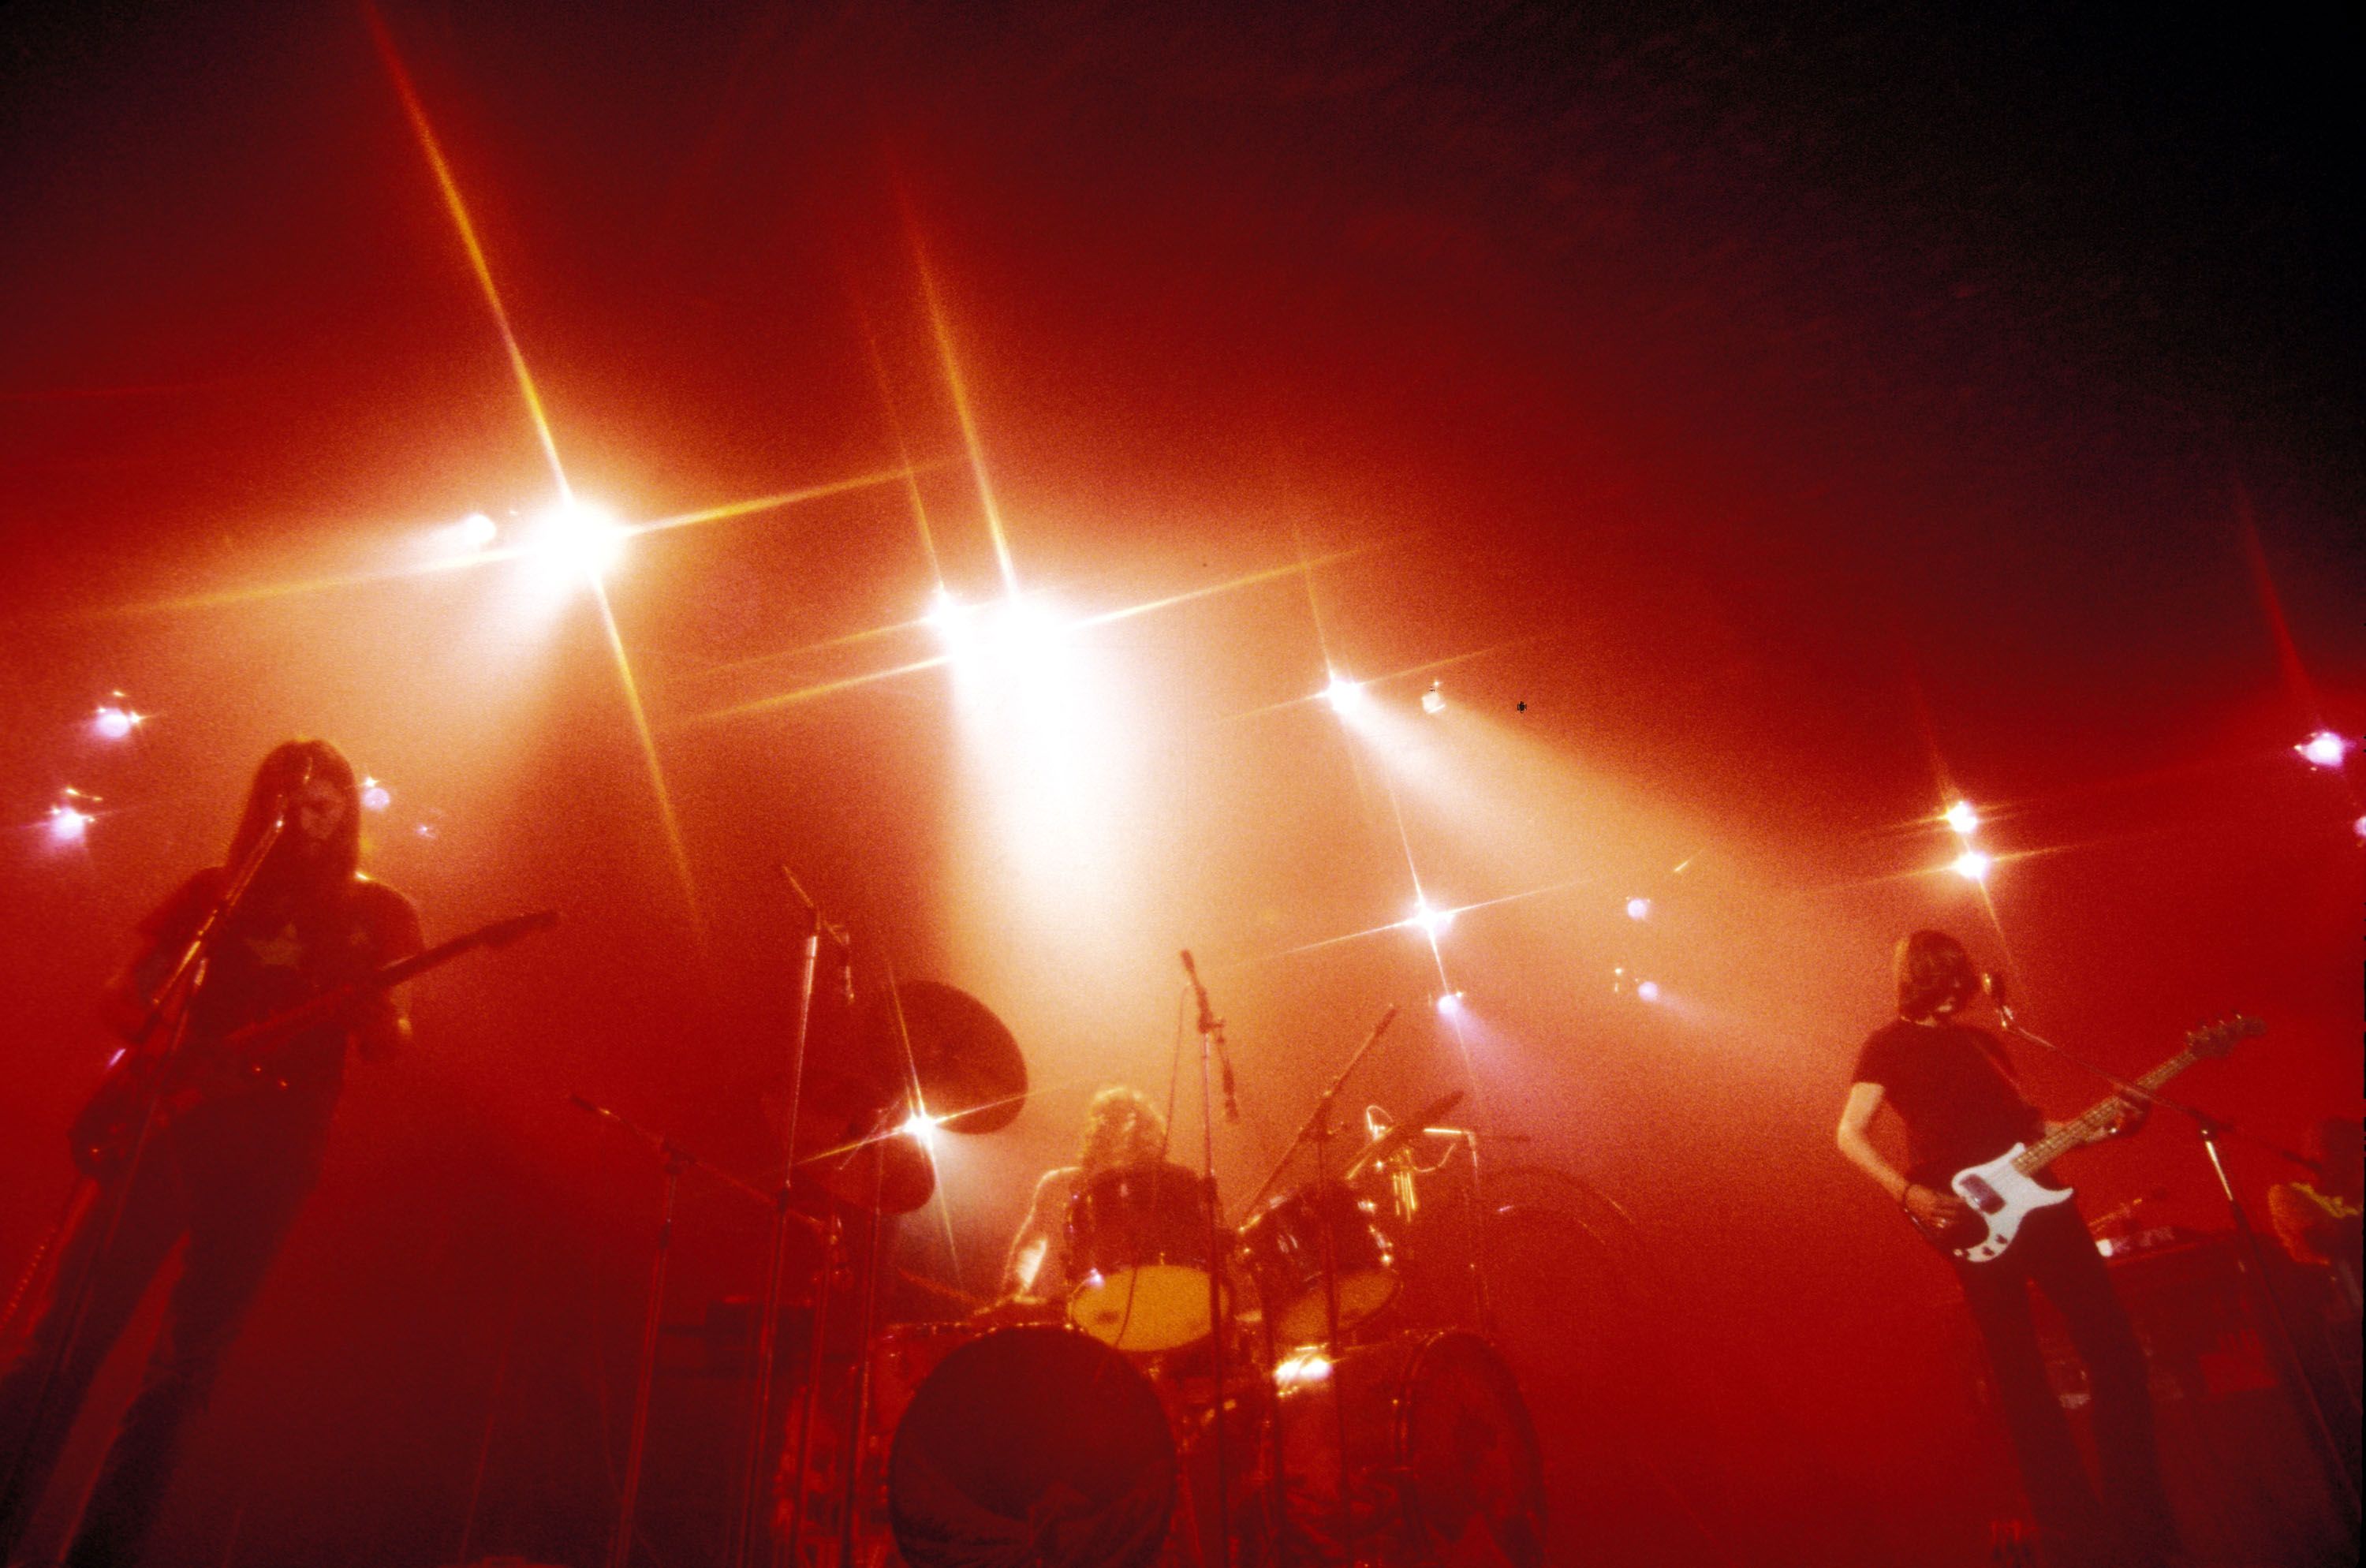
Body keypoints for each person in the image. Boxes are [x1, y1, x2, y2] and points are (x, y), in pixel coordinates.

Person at [0, 739, 422, 1567]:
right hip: (170, 1127)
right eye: (286, 795)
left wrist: (369, 1006)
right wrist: (175, 1060)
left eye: (323, 798)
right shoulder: (214, 893)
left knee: (183, 1371)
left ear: (347, 809)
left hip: (274, 1149)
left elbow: (393, 1037)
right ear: (261, 803)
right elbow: (123, 995)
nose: (304, 811)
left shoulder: (381, 912)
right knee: (61, 1342)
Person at [1834, 931, 2179, 1568]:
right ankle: (2073, 1527)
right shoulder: (1886, 1045)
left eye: (1959, 975)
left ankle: (2137, 1511)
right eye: (1945, 975)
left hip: (2044, 1203)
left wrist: (2110, 1126)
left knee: (2117, 1350)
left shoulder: (1985, 1042)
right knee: (2020, 1376)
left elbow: (2035, 1130)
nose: (1957, 986)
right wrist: (1905, 1191)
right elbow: (1848, 1134)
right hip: (1967, 1214)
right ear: (1922, 976)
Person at [998, 1085, 1170, 1305]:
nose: (1110, 1128)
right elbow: (1032, 1244)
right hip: (1057, 1314)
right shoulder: (1058, 1183)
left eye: (1122, 1120)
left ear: (1143, 1134)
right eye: (1106, 1119)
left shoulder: (1149, 1194)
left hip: (1126, 1316)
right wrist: (1013, 1293)